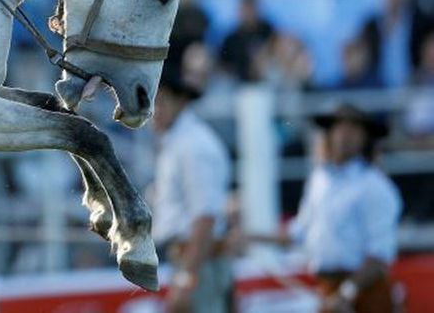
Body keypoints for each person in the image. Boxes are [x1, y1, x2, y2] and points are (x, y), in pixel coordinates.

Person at [254, 104, 402, 312]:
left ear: (365, 139)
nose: (344, 136)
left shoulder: (375, 186)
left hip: (364, 293)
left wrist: (348, 291)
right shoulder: (319, 179)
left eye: (353, 130)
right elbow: (300, 232)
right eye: (339, 129)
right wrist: (252, 238)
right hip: (328, 287)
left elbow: (379, 257)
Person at [151, 75, 233, 313]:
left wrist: (187, 280)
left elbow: (205, 218)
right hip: (189, 262)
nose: (154, 110)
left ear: (182, 102)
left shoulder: (194, 146)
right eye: (151, 101)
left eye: (161, 102)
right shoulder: (180, 142)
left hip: (196, 264)